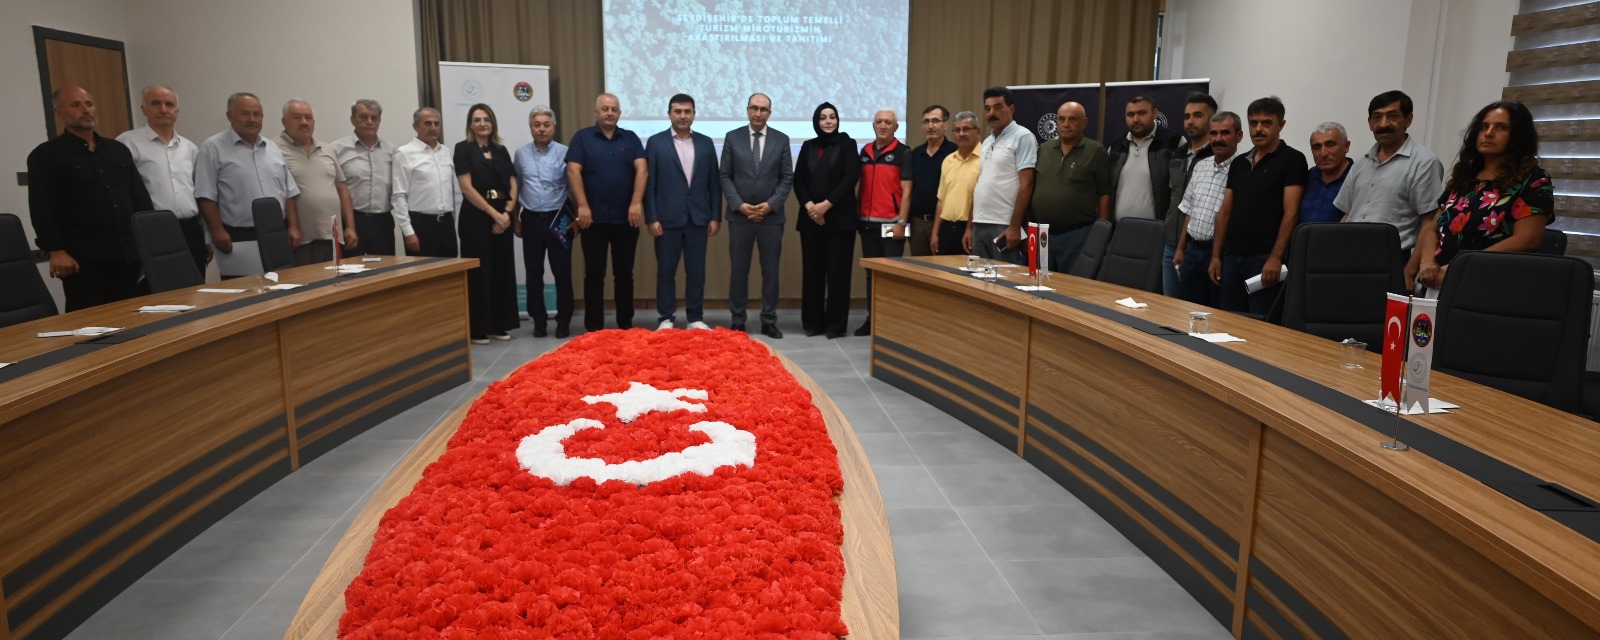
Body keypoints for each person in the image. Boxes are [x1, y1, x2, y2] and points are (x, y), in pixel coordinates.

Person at [28, 85, 152, 310]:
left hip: (127, 255)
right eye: (75, 105)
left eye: (89, 104)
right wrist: (56, 250)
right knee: (89, 327)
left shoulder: (118, 150)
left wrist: (149, 244)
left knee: (131, 319)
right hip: (83, 259)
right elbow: (42, 208)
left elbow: (140, 200)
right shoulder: (46, 155)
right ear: (59, 113)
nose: (85, 110)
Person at [1416, 101, 1553, 291]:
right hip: (1439, 281)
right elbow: (1433, 229)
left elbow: (1527, 239)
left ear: (1518, 136)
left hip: (1491, 283)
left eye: (1501, 127)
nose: (1488, 133)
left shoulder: (1533, 180)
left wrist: (1462, 266)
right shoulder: (1466, 176)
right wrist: (1427, 263)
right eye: (1484, 127)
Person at [1335, 90, 1445, 290]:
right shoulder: (1361, 163)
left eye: (1392, 116)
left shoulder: (1424, 162)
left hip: (1393, 262)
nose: (1383, 124)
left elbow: (1430, 222)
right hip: (1350, 259)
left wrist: (1409, 272)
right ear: (1370, 123)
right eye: (1377, 117)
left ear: (1408, 120)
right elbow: (1348, 215)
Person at [1209, 97, 1306, 315]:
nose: (1258, 129)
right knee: (1227, 320)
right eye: (1253, 123)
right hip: (1231, 257)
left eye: (1266, 123)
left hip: (1263, 260)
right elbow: (1224, 212)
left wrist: (1275, 257)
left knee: (1259, 325)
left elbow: (1291, 213)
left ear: (1281, 125)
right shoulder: (1239, 162)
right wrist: (1216, 256)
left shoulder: (1293, 160)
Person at [196, 92, 300, 279]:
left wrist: (293, 226)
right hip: (238, 235)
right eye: (245, 114)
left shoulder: (273, 148)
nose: (252, 119)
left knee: (283, 287)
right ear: (230, 116)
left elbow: (288, 192)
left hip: (276, 233)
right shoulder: (212, 148)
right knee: (245, 292)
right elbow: (205, 196)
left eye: (257, 114)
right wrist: (216, 230)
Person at [567, 93, 646, 332]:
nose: (609, 113)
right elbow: (573, 171)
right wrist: (582, 205)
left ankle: (625, 325)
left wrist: (635, 203)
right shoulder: (582, 138)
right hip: (593, 219)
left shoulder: (630, 138)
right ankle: (593, 328)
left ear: (619, 113)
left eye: (614, 109)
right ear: (596, 112)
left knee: (624, 275)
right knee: (594, 275)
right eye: (605, 109)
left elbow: (642, 170)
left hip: (626, 218)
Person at [644, 93, 721, 331]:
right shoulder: (656, 143)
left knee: (696, 272)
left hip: (698, 218)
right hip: (666, 220)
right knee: (666, 271)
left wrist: (715, 216)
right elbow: (650, 185)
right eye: (677, 111)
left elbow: (714, 184)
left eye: (687, 112)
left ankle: (695, 318)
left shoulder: (706, 143)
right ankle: (666, 318)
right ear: (669, 114)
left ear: (694, 114)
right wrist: (652, 217)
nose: (683, 116)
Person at [720, 93, 792, 338]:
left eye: (763, 109)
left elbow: (786, 178)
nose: (758, 113)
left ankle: (769, 320)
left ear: (769, 113)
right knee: (738, 271)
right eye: (754, 108)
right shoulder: (732, 137)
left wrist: (770, 205)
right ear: (747, 110)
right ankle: (738, 319)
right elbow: (725, 176)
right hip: (740, 217)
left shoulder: (782, 140)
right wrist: (740, 205)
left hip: (771, 218)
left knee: (770, 272)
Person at [118, 84, 206, 275]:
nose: (163, 109)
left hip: (190, 230)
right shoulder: (126, 143)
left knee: (196, 290)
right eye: (156, 104)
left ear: (177, 111)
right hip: (152, 231)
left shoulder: (189, 147)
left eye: (169, 104)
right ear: (143, 109)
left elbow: (198, 192)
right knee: (159, 293)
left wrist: (205, 237)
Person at [455, 103, 520, 344]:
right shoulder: (463, 149)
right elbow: (466, 187)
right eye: (477, 120)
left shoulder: (501, 150)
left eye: (487, 119)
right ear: (470, 125)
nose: (483, 124)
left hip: (503, 217)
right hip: (476, 219)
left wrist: (507, 213)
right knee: (479, 274)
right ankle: (478, 328)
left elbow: (513, 183)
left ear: (493, 123)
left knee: (502, 271)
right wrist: (496, 214)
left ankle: (499, 324)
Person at [794, 102, 860, 339]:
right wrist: (811, 207)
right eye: (823, 118)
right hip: (810, 219)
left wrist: (825, 206)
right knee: (812, 273)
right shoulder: (808, 146)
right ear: (816, 121)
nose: (828, 121)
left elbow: (850, 177)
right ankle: (813, 323)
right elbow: (798, 179)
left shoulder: (848, 144)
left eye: (832, 117)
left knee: (838, 274)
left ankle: (835, 325)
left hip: (840, 220)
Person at [514, 105, 574, 338]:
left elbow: (573, 188)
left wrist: (576, 218)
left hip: (558, 219)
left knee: (562, 272)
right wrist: (515, 218)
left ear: (554, 127)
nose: (541, 129)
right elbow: (517, 186)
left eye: (546, 124)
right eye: (537, 125)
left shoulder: (565, 152)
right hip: (530, 220)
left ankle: (563, 320)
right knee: (533, 272)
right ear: (531, 127)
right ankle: (538, 320)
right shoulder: (521, 154)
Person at [1030, 101, 1111, 271]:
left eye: (1072, 119)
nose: (1066, 124)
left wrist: (1101, 235)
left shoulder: (1096, 151)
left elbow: (1105, 194)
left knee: (1072, 287)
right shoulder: (1043, 149)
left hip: (1078, 235)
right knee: (1040, 284)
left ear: (1084, 123)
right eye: (1061, 119)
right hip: (1042, 234)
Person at [1175, 112, 1245, 306]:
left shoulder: (1243, 169)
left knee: (1215, 313)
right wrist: (1181, 248)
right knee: (1184, 310)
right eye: (1213, 133)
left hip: (1219, 254)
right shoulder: (1200, 166)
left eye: (1225, 133)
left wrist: (1217, 256)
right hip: (1192, 251)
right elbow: (1189, 208)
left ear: (1238, 136)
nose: (1218, 139)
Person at [277, 99, 356, 265]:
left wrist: (350, 226)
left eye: (308, 117)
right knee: (305, 287)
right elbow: (282, 191)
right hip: (299, 238)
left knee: (333, 284)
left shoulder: (327, 148)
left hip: (332, 235)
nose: (304, 122)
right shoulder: (273, 149)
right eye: (297, 117)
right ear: (284, 121)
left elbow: (341, 188)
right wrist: (292, 226)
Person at [854, 108, 911, 336]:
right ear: (873, 125)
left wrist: (902, 222)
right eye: (879, 121)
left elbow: (907, 192)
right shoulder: (865, 151)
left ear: (895, 127)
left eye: (888, 122)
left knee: (891, 275)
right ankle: (872, 318)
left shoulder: (903, 153)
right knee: (872, 274)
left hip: (892, 224)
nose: (883, 125)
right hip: (867, 224)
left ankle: (890, 322)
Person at [967, 86, 1037, 264]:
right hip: (980, 222)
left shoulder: (1023, 136)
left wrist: (1015, 226)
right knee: (978, 281)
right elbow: (980, 184)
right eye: (987, 108)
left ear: (1011, 109)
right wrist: (970, 226)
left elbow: (1027, 184)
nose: (992, 113)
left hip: (1004, 225)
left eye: (998, 107)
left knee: (1005, 282)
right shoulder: (987, 141)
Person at [1163, 93, 1217, 296]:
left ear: (1212, 119)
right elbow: (1172, 194)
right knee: (1168, 307)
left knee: (1195, 310)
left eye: (1197, 115)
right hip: (1170, 243)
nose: (1190, 121)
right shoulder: (1177, 152)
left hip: (1200, 247)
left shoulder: (1217, 155)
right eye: (1187, 116)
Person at [332, 99, 396, 256]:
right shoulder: (336, 149)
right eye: (363, 117)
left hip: (383, 221)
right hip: (352, 221)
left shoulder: (391, 150)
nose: (369, 122)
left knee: (386, 272)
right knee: (352, 273)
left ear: (379, 122)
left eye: (374, 118)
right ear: (352, 120)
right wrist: (348, 226)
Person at [391, 107, 457, 257]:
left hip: (446, 223)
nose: (433, 127)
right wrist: (408, 232)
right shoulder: (404, 153)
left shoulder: (446, 151)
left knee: (449, 274)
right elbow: (398, 196)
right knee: (424, 274)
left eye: (436, 123)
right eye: (427, 123)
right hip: (421, 225)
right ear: (415, 126)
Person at [1110, 95, 1181, 223]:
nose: (1135, 119)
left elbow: (1183, 191)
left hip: (1157, 232)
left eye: (1141, 113)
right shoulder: (1116, 147)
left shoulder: (1175, 143)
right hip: (1119, 231)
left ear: (1155, 114)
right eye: (1130, 114)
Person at [931, 111, 982, 256]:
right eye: (957, 130)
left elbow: (982, 201)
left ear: (977, 131)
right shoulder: (948, 160)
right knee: (943, 276)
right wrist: (935, 233)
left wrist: (970, 228)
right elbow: (941, 200)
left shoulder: (986, 159)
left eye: (966, 129)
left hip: (969, 229)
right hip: (946, 229)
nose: (961, 134)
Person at [908, 105, 956, 256]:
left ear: (945, 125)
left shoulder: (954, 153)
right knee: (918, 270)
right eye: (926, 122)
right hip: (917, 223)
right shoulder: (916, 153)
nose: (930, 126)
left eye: (935, 121)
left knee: (941, 271)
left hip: (944, 224)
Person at [1300, 122, 1352, 225]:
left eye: (1330, 145)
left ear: (1346, 146)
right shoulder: (1308, 176)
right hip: (1303, 240)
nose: (1323, 153)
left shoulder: (1356, 178)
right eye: (1317, 147)